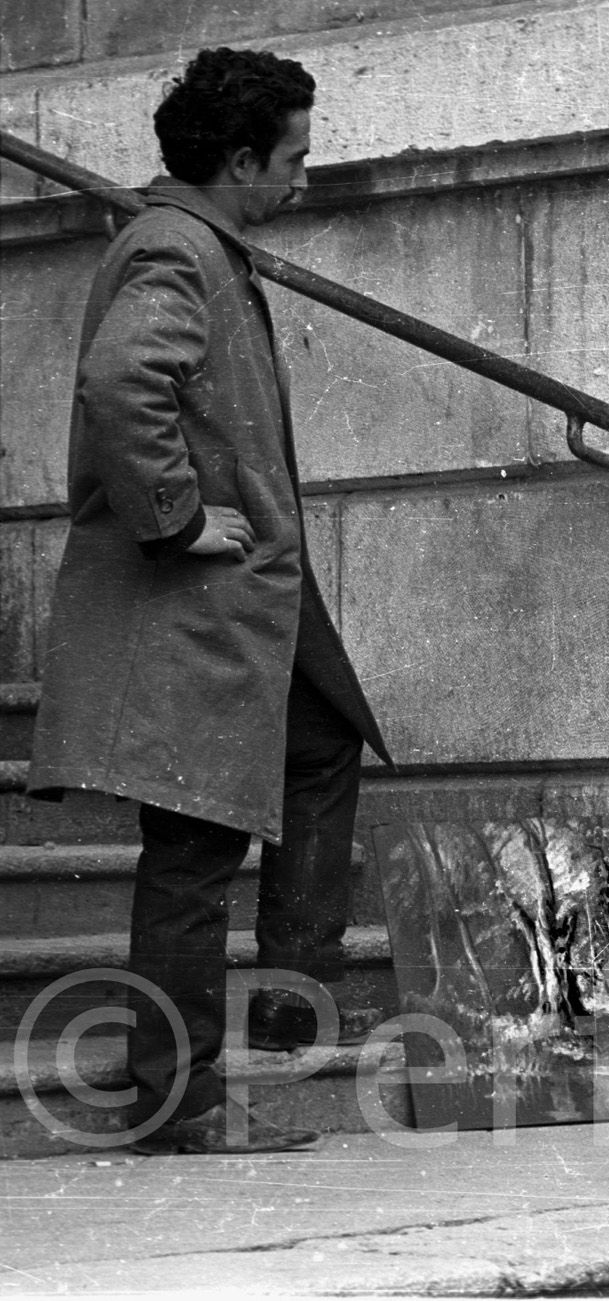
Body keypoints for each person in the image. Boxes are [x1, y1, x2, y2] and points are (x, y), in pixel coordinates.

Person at [26, 48, 391, 1155]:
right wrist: (177, 519)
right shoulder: (177, 248)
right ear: (238, 159)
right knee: (191, 851)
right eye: (292, 160)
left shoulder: (193, 243)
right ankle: (175, 1096)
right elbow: (123, 383)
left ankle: (287, 998)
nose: (302, 180)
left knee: (323, 738)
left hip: (243, 606)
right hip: (191, 605)